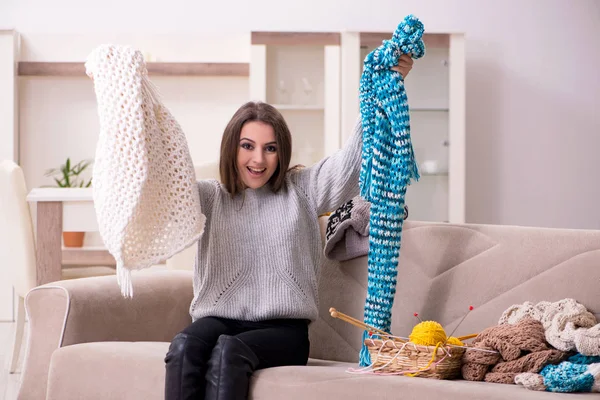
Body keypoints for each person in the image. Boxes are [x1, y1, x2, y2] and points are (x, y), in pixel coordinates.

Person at [164, 54, 415, 400]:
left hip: (285, 331)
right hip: (218, 318)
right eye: (247, 146)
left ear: (281, 154)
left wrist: (385, 87)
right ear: (231, 148)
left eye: (270, 149)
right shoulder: (210, 196)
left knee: (228, 351)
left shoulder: (302, 189)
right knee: (184, 345)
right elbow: (166, 191)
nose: (258, 160)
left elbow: (354, 161)